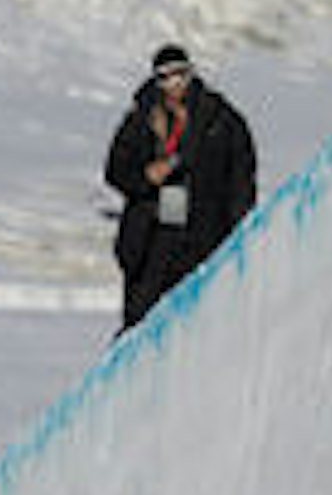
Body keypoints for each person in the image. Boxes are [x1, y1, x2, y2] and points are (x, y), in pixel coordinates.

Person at [104, 43, 257, 332]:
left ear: (191, 74)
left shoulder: (220, 120)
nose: (174, 85)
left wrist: (238, 236)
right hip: (151, 236)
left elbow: (241, 178)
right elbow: (115, 170)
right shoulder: (142, 120)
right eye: (166, 77)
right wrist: (146, 177)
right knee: (140, 322)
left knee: (194, 323)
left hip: (203, 236)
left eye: (180, 75)